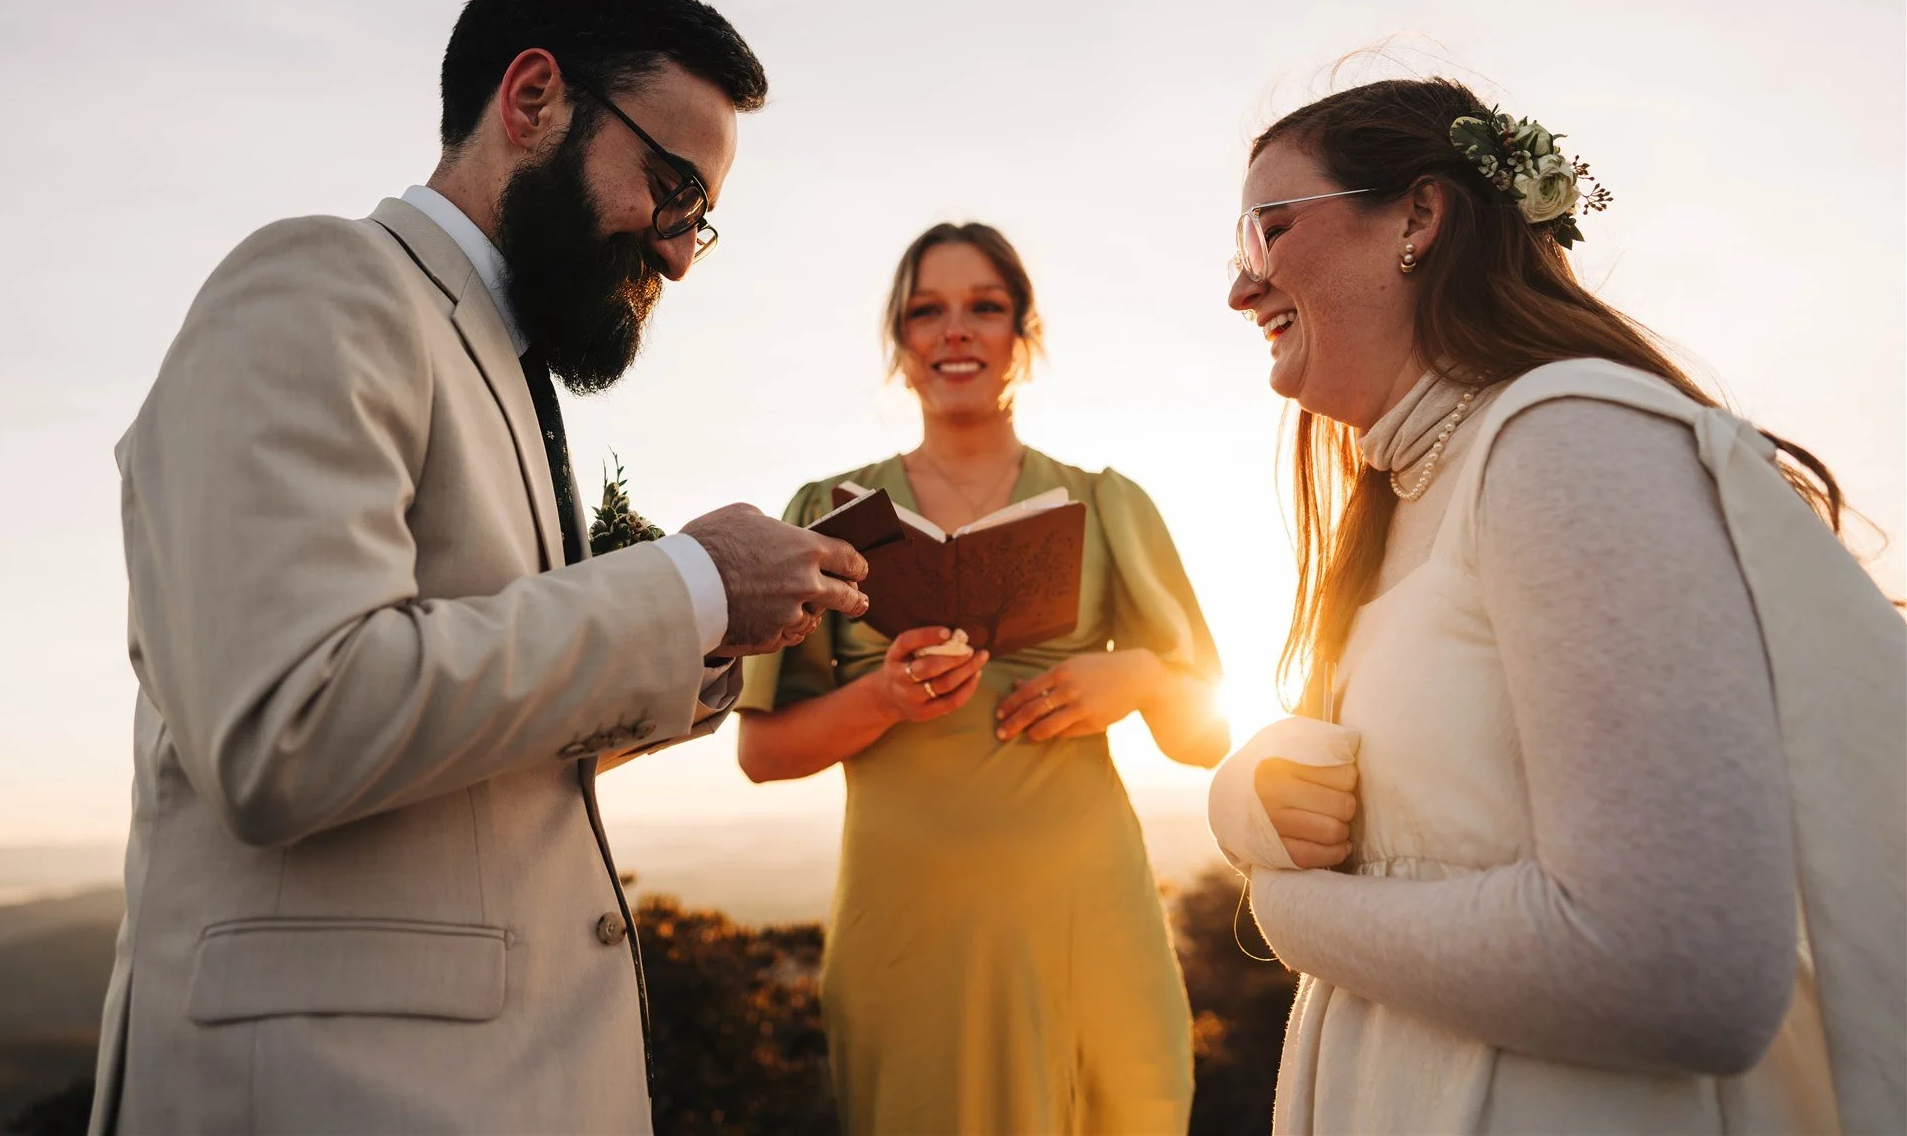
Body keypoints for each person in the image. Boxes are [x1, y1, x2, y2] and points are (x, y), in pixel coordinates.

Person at [88, 0, 872, 1135]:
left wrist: (708, 649)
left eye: (696, 221)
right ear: (534, 99)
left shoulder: (500, 365)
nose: (673, 246)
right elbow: (289, 722)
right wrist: (688, 589)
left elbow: (465, 755)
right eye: (669, 184)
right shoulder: (319, 284)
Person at [1207, 78, 1905, 1134]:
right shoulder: (1403, 495)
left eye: (1266, 231)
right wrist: (1253, 799)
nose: (1239, 290)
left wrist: (1289, 910)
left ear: (1416, 217)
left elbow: (1677, 966)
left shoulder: (1568, 443)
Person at [736, 222, 1231, 1135]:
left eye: (985, 308)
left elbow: (1208, 737)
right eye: (928, 311)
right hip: (908, 933)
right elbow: (763, 753)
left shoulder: (1108, 504)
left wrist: (1146, 679)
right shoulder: (824, 518)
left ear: (1023, 336)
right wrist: (882, 696)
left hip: (1090, 919)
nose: (955, 330)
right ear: (901, 343)